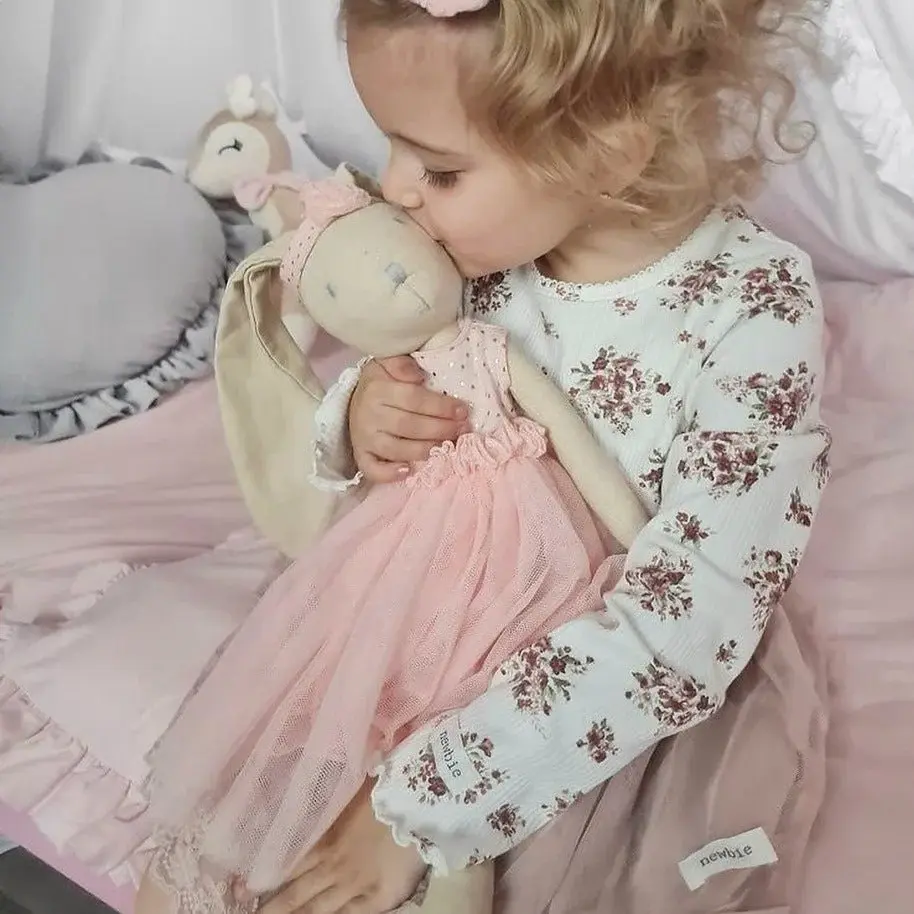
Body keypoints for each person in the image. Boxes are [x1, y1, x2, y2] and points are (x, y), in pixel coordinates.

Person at [136, 1, 830, 912]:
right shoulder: (472, 246)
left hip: (594, 680)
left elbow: (690, 619)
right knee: (232, 832)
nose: (394, 188)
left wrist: (419, 806)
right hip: (431, 608)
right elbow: (419, 363)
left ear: (606, 155)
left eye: (439, 168)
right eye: (391, 148)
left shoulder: (756, 308)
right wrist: (368, 417)